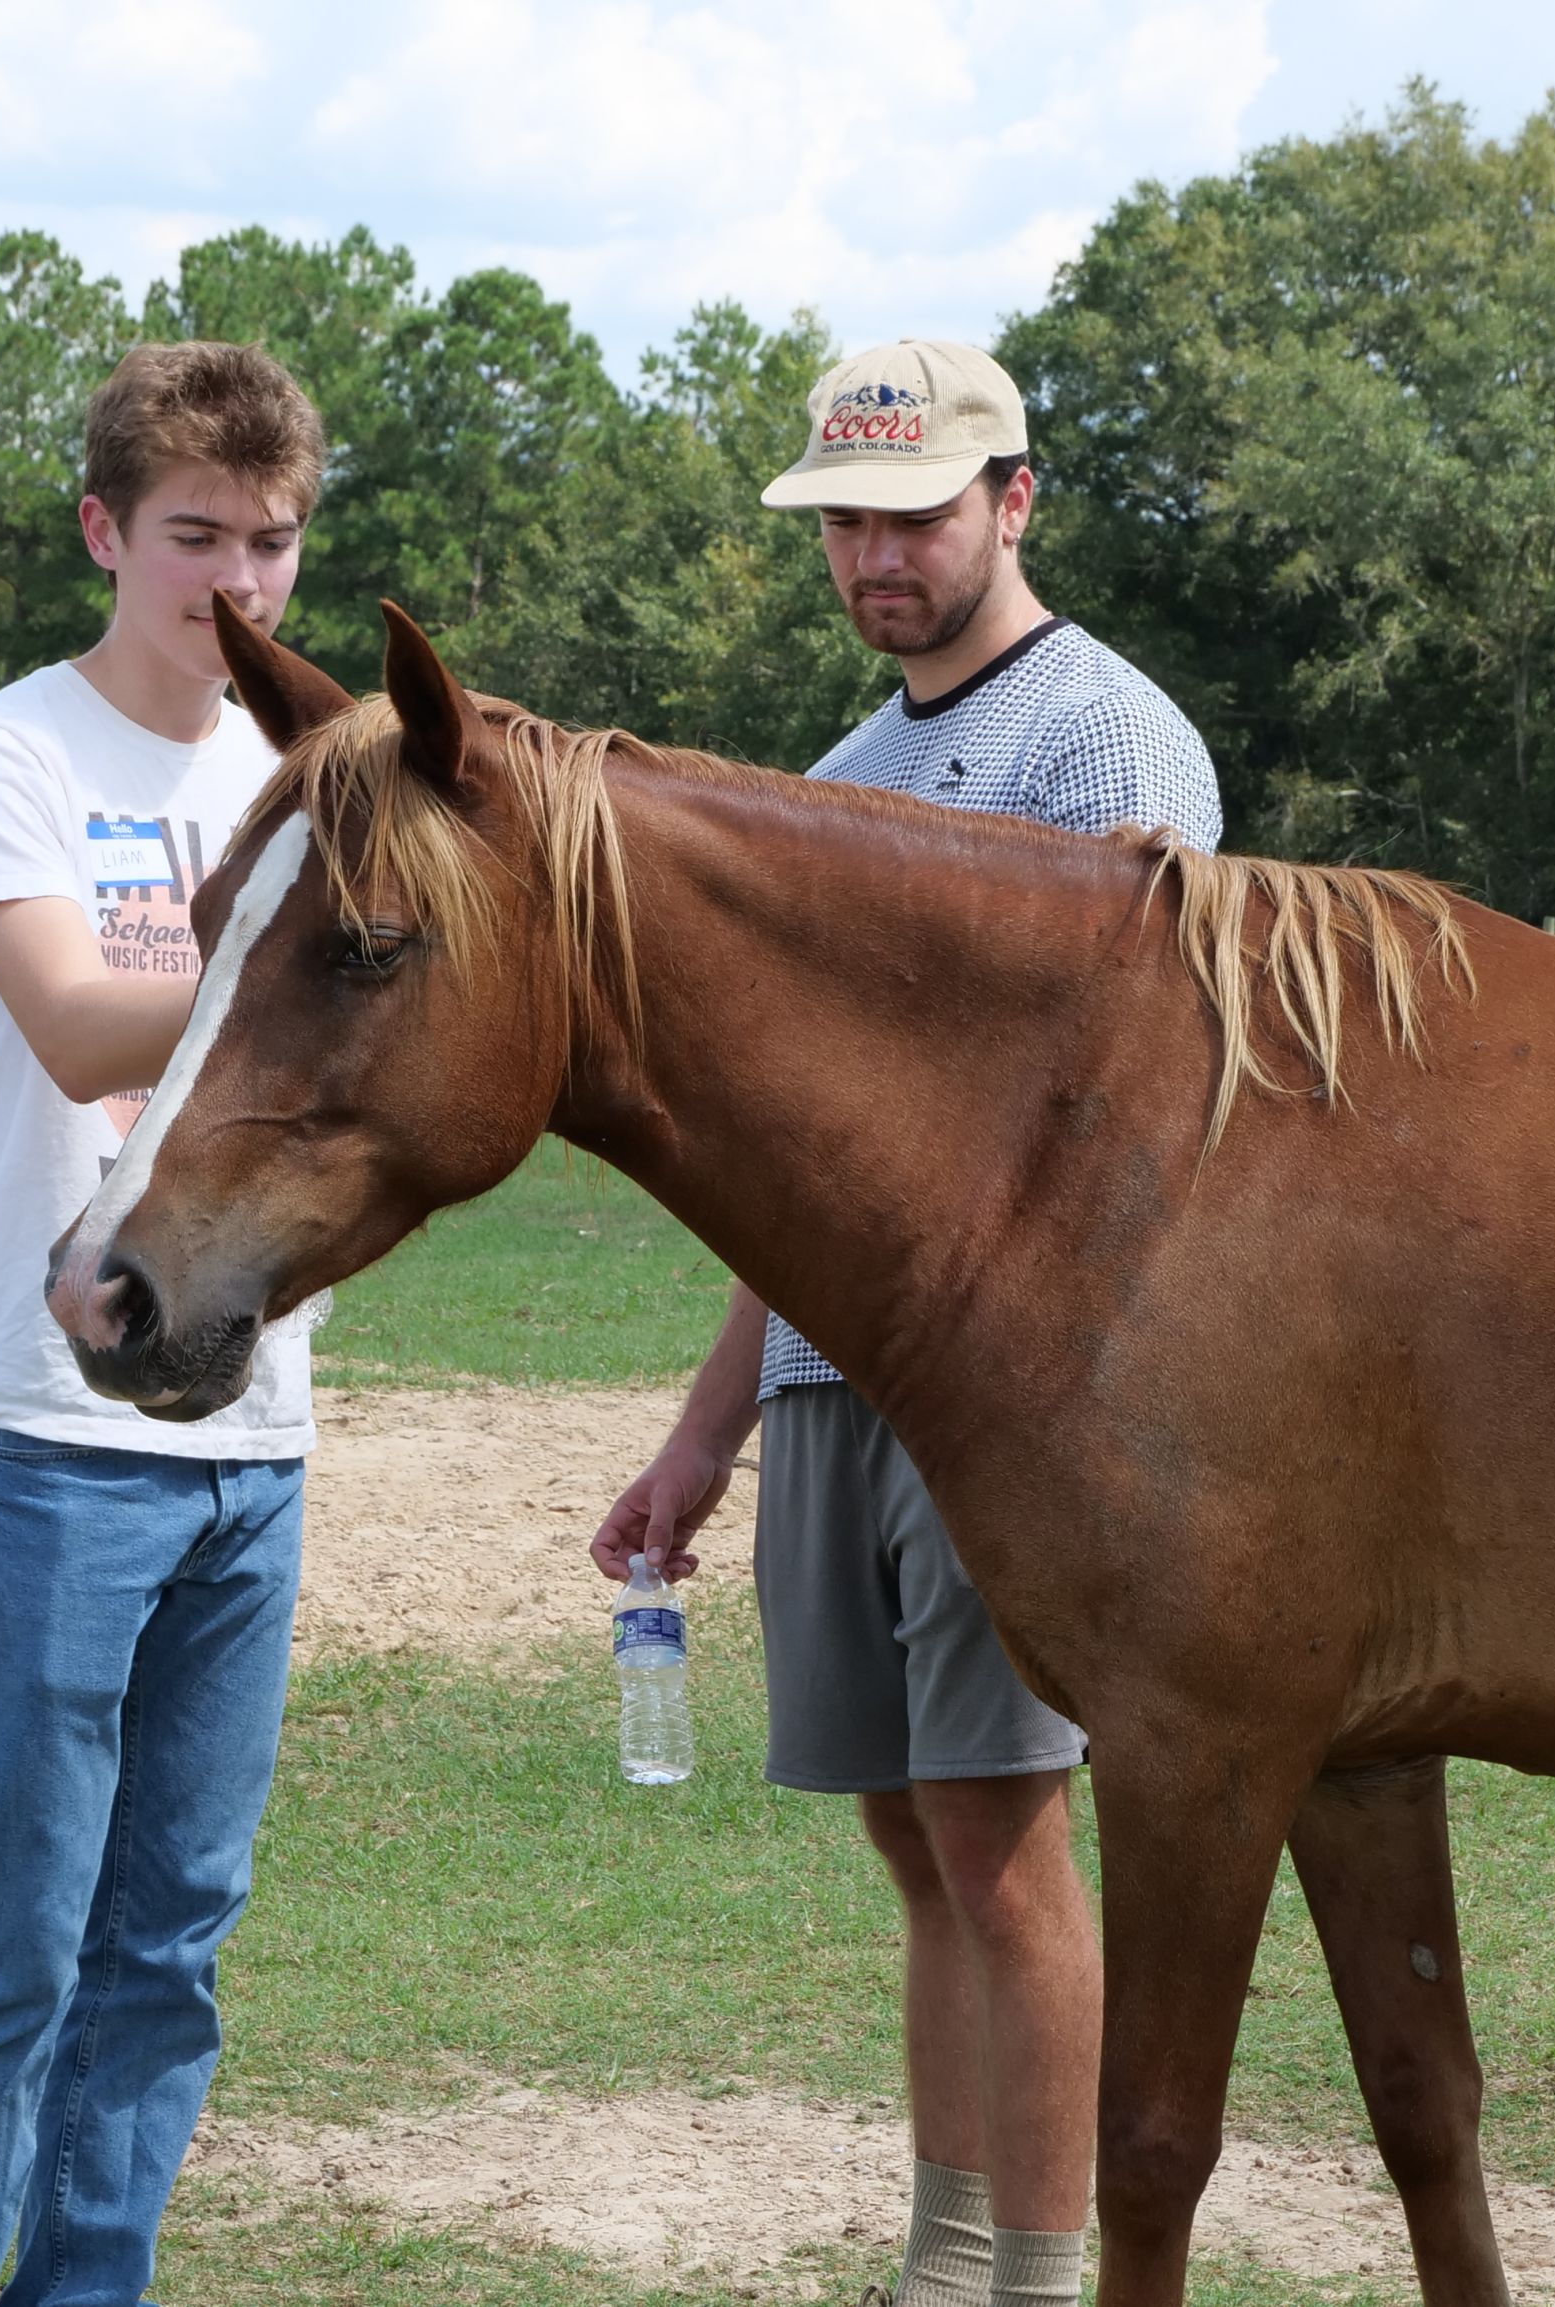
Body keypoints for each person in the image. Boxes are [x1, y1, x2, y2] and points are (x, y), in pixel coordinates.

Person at [590, 338, 1224, 2307]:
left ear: (1012, 499)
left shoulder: (1111, 747)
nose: (874, 554)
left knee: (1001, 1841)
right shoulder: (838, 786)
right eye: (845, 521)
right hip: (830, 1391)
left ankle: (1033, 2277)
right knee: (913, 1842)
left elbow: (1146, 1115)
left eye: (913, 512)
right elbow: (797, 1166)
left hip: (1009, 1403)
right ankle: (944, 2262)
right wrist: (712, 1423)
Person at [0, 340, 332, 2307]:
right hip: (49, 1431)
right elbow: (67, 1017)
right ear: (101, 530)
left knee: (173, 1939)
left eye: (275, 540)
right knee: (21, 1934)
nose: (236, 580)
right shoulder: (8, 755)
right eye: (192, 536)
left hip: (253, 1440)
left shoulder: (304, 769)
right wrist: (314, 958)